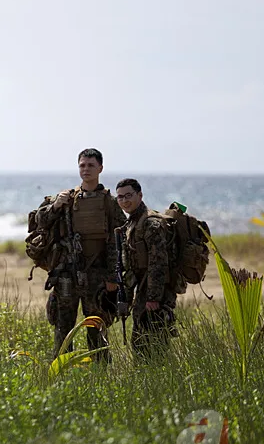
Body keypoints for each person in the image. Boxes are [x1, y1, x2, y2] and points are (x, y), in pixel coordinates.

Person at [36, 148, 126, 361]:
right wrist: (56, 206)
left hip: (97, 275)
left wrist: (113, 277)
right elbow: (40, 221)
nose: (86, 169)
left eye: (91, 165)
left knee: (96, 326)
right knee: (63, 326)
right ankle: (61, 370)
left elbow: (118, 240)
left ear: (100, 168)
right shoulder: (66, 199)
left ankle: (100, 372)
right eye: (82, 165)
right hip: (68, 273)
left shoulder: (109, 203)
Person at [115, 178, 177, 360]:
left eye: (129, 195)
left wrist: (153, 298)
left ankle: (160, 379)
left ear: (140, 195)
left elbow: (158, 263)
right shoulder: (133, 223)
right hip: (143, 288)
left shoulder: (150, 223)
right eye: (120, 197)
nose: (125, 201)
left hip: (155, 292)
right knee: (141, 341)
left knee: (153, 341)